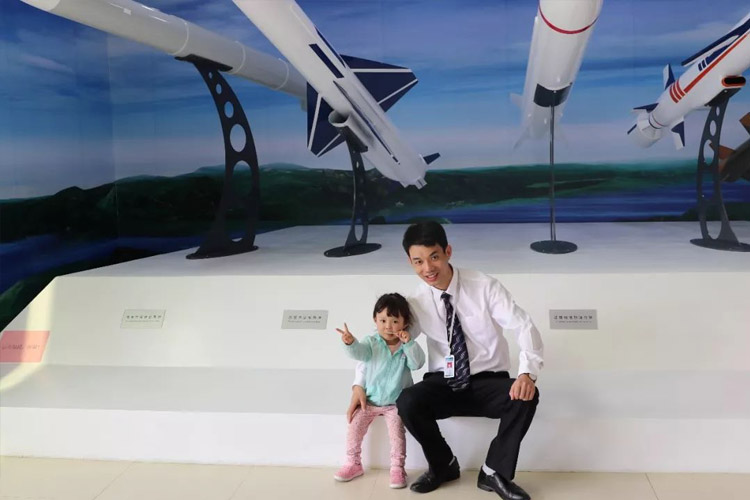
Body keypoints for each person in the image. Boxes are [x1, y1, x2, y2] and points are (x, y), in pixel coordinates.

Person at [350, 221, 543, 500]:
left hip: (488, 380)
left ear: (448, 252)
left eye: (434, 257)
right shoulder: (415, 302)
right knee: (408, 400)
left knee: (526, 396)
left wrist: (527, 373)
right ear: (410, 262)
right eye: (418, 261)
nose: (428, 268)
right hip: (444, 382)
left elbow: (523, 326)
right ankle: (443, 465)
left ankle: (494, 472)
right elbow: (382, 340)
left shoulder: (484, 286)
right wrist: (359, 383)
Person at [334, 293, 426, 489]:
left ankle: (397, 468)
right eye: (383, 320)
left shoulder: (406, 346)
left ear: (405, 323)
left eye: (395, 321)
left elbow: (417, 363)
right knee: (354, 427)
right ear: (375, 320)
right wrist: (350, 343)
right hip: (370, 400)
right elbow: (359, 353)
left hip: (395, 403)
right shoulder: (371, 343)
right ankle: (353, 463)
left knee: (397, 435)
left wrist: (409, 343)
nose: (388, 326)